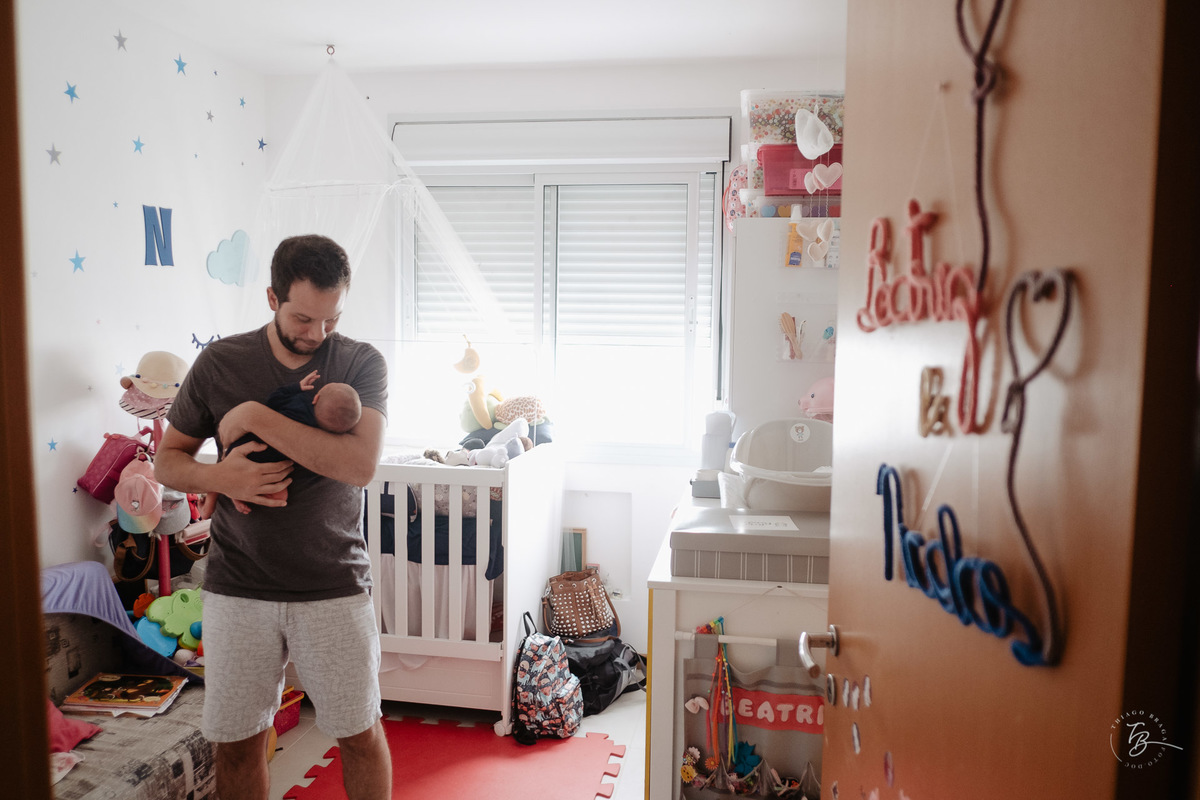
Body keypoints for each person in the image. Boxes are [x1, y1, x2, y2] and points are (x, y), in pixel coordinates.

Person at [155, 234, 391, 800]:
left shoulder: (360, 362)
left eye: (329, 320)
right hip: (239, 586)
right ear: (271, 297)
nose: (316, 334)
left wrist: (255, 414)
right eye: (303, 318)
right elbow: (168, 461)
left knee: (358, 733)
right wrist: (219, 478)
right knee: (236, 742)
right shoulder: (219, 363)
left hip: (332, 582)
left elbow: (358, 465)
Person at [223, 369, 363, 511]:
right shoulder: (321, 438)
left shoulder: (300, 401)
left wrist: (296, 387)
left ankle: (229, 493)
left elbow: (274, 400)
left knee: (237, 476)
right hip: (264, 466)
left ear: (316, 398)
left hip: (245, 445)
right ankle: (237, 496)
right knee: (280, 496)